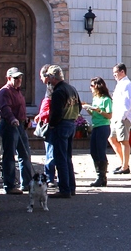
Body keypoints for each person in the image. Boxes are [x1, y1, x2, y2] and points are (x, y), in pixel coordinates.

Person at [47, 65, 82, 199]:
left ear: (52, 77)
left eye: (49, 77)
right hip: (71, 124)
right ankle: (71, 187)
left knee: (60, 158)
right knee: (67, 157)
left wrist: (51, 125)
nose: (48, 80)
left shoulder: (58, 91)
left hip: (61, 125)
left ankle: (64, 189)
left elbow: (56, 112)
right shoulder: (71, 88)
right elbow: (79, 106)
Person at [0, 67, 34, 195]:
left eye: (20, 77)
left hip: (20, 125)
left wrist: (26, 120)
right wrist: (12, 119)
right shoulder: (4, 92)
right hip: (9, 125)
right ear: (8, 78)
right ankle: (9, 185)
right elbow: (5, 108)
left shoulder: (18, 91)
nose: (19, 80)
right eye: (16, 78)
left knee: (25, 155)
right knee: (9, 156)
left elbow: (21, 108)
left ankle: (28, 183)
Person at [109, 63, 131, 175]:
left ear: (122, 72)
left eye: (116, 73)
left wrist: (122, 116)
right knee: (112, 139)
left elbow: (127, 101)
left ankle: (125, 167)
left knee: (124, 141)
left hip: (123, 117)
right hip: (116, 117)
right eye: (114, 73)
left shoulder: (127, 84)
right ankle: (123, 163)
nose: (114, 75)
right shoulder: (120, 84)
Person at [85, 76, 113, 187]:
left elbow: (109, 115)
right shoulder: (96, 98)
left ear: (97, 86)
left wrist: (98, 110)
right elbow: (95, 114)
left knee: (100, 151)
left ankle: (102, 177)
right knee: (93, 151)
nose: (90, 88)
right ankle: (99, 174)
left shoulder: (106, 99)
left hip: (103, 126)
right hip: (96, 125)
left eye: (92, 85)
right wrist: (89, 110)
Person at [33, 64, 56, 187]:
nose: (41, 79)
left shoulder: (52, 88)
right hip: (49, 121)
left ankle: (50, 178)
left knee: (50, 153)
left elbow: (53, 108)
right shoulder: (50, 87)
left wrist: (43, 115)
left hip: (51, 124)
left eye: (41, 76)